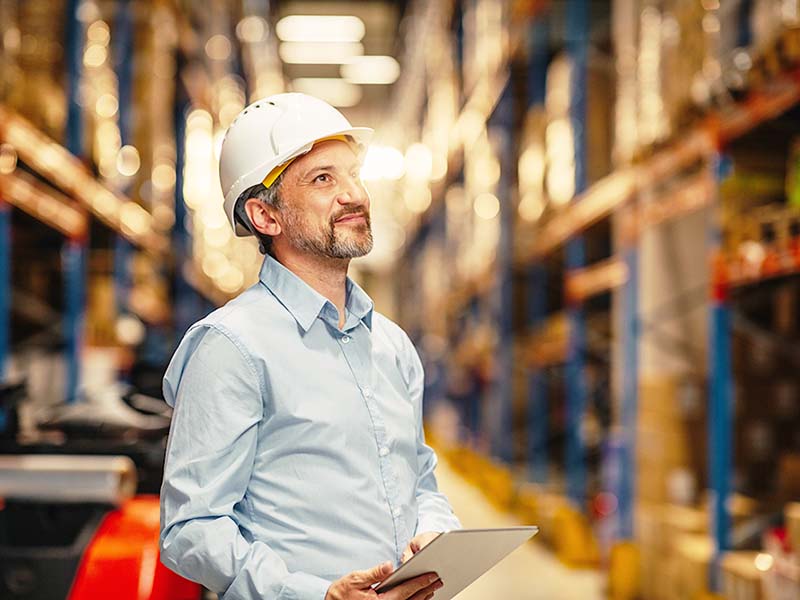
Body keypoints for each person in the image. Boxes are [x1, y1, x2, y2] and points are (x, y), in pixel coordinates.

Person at [159, 93, 461, 600]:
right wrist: (314, 594)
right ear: (265, 216)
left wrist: (433, 532)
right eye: (323, 179)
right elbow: (190, 528)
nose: (355, 195)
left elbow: (420, 481)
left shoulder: (391, 344)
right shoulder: (232, 347)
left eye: (352, 175)